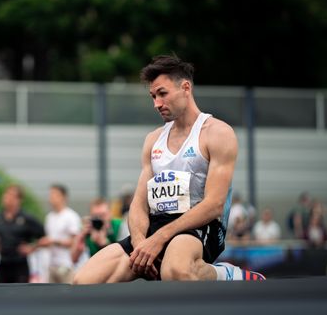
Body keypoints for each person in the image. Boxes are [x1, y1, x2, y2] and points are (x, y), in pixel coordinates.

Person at [73, 55, 265, 284]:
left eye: (162, 94)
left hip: (199, 227)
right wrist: (140, 245)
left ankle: (224, 274)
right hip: (157, 226)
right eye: (153, 96)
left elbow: (214, 205)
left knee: (174, 272)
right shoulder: (153, 140)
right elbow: (138, 205)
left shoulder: (217, 133)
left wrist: (160, 239)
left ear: (185, 87)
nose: (156, 103)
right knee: (84, 281)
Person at [0, 184, 45, 283]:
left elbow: (44, 237)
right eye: (6, 195)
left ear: (19, 200)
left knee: (21, 295)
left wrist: (31, 248)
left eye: (11, 196)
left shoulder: (27, 218)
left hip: (20, 264)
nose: (7, 198)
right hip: (3, 263)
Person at [40, 184, 81, 283]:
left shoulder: (71, 216)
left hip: (66, 265)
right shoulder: (49, 217)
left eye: (55, 194)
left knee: (68, 296)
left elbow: (75, 242)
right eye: (50, 194)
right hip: (51, 265)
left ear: (64, 197)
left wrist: (54, 241)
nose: (51, 197)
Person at [70, 198, 123, 264]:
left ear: (110, 214)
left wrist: (104, 244)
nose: (100, 219)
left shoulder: (119, 226)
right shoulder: (88, 230)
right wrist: (81, 237)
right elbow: (74, 258)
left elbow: (123, 257)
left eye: (103, 215)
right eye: (95, 216)